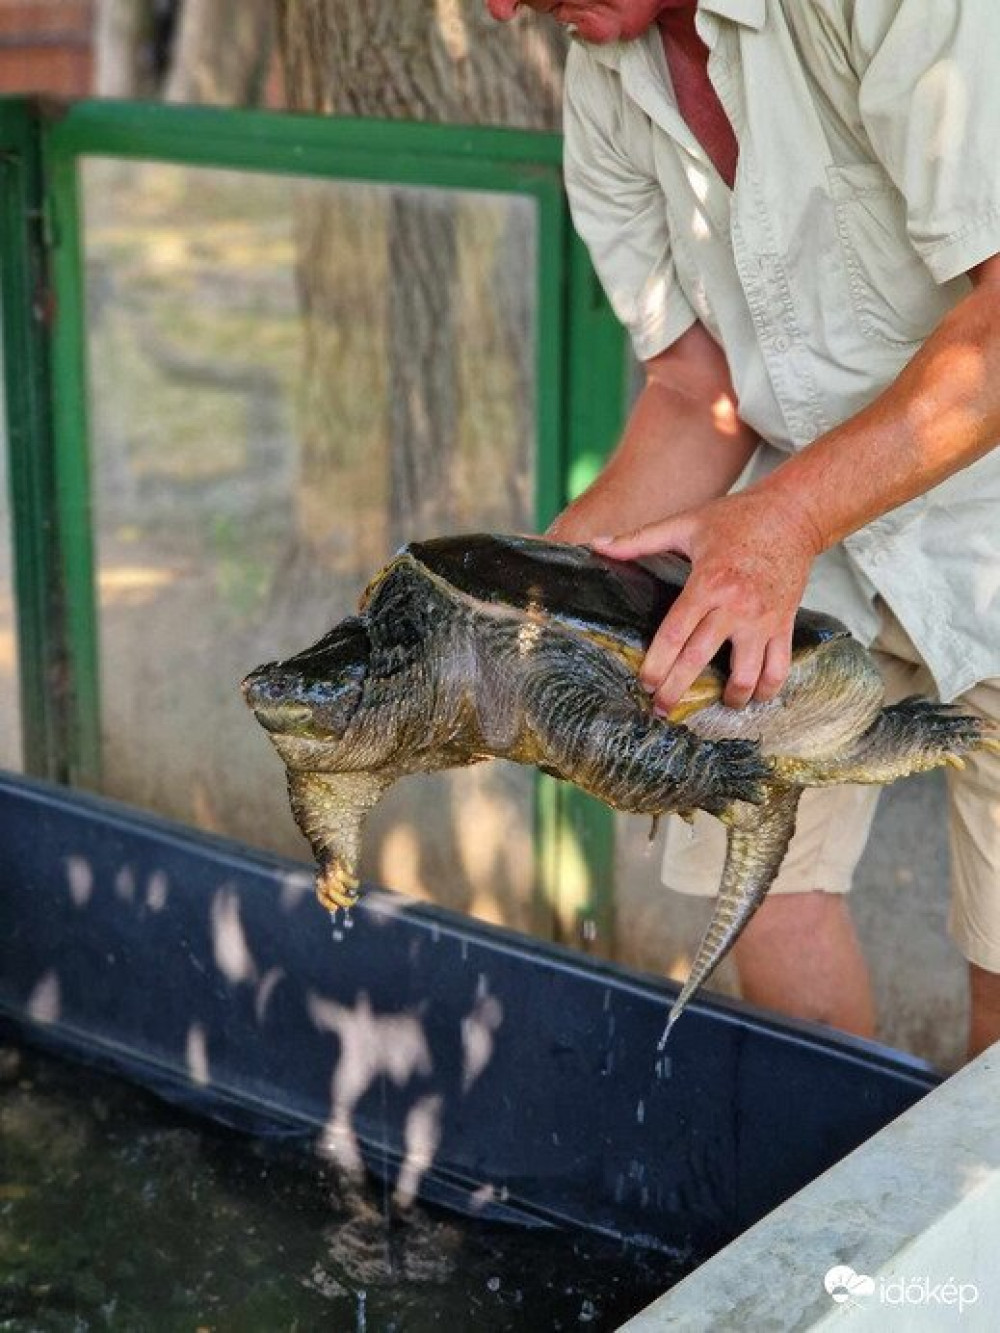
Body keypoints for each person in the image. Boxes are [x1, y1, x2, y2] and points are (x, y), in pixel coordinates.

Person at [486, 0, 1000, 1059]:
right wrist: (528, 609)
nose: (503, 9)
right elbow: (693, 386)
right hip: (800, 542)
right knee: (759, 885)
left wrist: (785, 518)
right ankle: (846, 1216)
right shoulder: (603, 81)